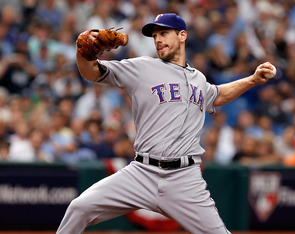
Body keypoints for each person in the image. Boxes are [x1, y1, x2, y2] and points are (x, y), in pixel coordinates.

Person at [57, 13, 276, 234]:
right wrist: (82, 52)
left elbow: (217, 94)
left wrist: (253, 79)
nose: (158, 39)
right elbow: (92, 72)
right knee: (79, 208)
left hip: (185, 179)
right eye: (154, 36)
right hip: (141, 173)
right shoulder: (141, 68)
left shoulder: (198, 79)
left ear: (182, 35)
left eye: (163, 33)